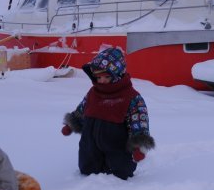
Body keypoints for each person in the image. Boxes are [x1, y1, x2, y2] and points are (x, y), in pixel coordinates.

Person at [61, 47, 155, 180]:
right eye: (98, 77)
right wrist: (72, 123)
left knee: (119, 170)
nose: (102, 81)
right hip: (90, 143)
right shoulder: (93, 93)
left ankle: (118, 173)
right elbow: (82, 109)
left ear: (118, 75)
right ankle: (89, 169)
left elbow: (139, 121)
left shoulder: (131, 98)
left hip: (117, 146)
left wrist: (139, 146)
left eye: (106, 77)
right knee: (87, 165)